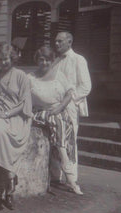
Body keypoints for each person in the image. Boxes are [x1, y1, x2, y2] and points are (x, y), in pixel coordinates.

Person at [28, 46, 83, 195]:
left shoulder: (59, 75)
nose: (44, 63)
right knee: (55, 120)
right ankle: (68, 168)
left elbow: (69, 94)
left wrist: (59, 108)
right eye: (41, 59)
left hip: (58, 111)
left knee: (57, 119)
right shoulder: (31, 77)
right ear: (37, 60)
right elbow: (25, 99)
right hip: (38, 113)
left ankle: (64, 162)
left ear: (52, 61)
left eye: (47, 60)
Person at [0, 43, 33, 210]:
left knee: (5, 134)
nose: (3, 62)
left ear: (12, 58)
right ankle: (10, 182)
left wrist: (7, 114)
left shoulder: (21, 76)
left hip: (17, 117)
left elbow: (23, 104)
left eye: (6, 59)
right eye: (0, 59)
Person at [52, 32, 92, 185]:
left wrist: (71, 102)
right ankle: (56, 175)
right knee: (56, 139)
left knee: (69, 140)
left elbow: (86, 86)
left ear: (69, 42)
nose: (56, 44)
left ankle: (72, 178)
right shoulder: (56, 61)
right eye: (55, 41)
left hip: (70, 106)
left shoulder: (78, 59)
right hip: (55, 106)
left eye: (60, 41)